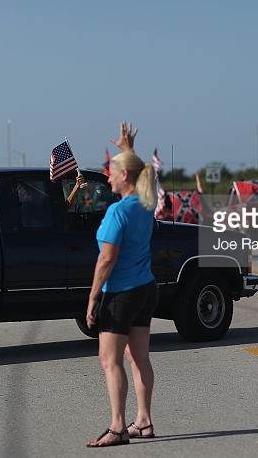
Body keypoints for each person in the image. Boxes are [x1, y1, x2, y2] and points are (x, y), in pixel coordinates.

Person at [85, 122, 159, 448]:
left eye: (112, 172)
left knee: (109, 359)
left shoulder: (118, 211)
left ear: (125, 177)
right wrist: (128, 152)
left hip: (121, 293)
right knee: (139, 357)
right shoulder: (145, 204)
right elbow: (147, 176)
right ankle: (143, 420)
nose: (108, 176)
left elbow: (106, 260)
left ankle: (117, 427)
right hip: (145, 288)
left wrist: (92, 299)